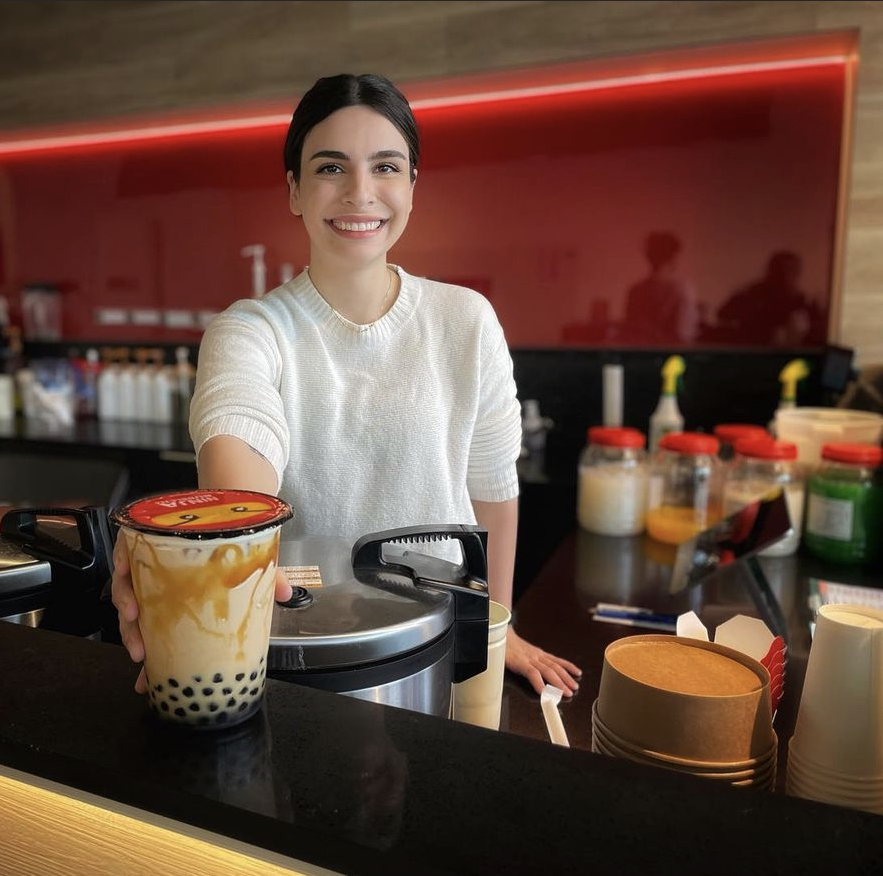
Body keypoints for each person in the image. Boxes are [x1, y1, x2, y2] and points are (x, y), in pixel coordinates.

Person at [111, 73, 581, 697]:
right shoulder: (250, 330)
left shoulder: (465, 320)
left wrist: (498, 624)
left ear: (413, 185)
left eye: (386, 166)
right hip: (304, 652)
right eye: (331, 167)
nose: (361, 193)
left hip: (447, 646)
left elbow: (491, 489)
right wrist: (200, 547)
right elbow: (238, 449)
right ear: (295, 191)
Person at [621, 231, 698, 345]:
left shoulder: (636, 291)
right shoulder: (682, 290)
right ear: (673, 258)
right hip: (673, 356)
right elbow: (683, 333)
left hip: (643, 355)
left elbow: (630, 331)